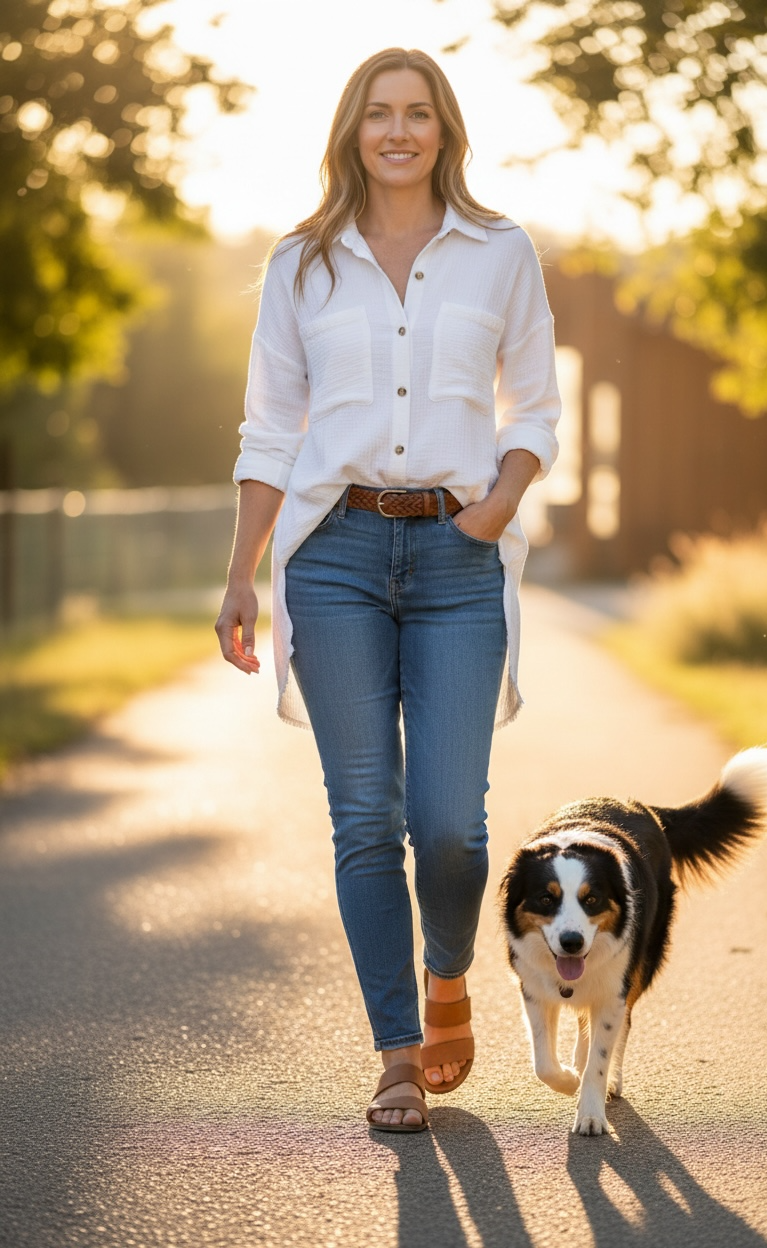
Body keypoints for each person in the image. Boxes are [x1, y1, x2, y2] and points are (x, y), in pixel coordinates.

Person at [215, 47, 560, 1133]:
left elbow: (536, 408)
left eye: (418, 113)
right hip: (334, 557)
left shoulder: (502, 253)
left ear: (446, 130)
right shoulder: (300, 263)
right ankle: (397, 1054)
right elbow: (270, 427)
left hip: (458, 558)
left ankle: (448, 972)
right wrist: (241, 573)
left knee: (450, 824)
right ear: (351, 132)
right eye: (379, 115)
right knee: (365, 819)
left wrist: (498, 504)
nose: (398, 132)